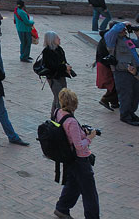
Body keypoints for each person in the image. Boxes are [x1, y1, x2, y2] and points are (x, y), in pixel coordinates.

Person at [52, 89, 100, 219]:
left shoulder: (58, 112)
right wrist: (90, 137)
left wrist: (81, 132)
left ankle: (62, 208)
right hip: (80, 159)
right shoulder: (71, 122)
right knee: (90, 192)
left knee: (73, 183)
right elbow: (79, 146)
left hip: (69, 158)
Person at [105, 21, 139, 125]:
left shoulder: (127, 39)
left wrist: (138, 34)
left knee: (135, 94)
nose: (124, 30)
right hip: (122, 72)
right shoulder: (111, 39)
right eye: (123, 29)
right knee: (126, 95)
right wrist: (123, 23)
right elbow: (114, 30)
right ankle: (125, 116)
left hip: (134, 71)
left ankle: (131, 113)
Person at [39, 31, 74, 114]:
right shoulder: (47, 52)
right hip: (53, 78)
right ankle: (61, 117)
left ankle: (54, 117)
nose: (59, 39)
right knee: (60, 98)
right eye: (57, 38)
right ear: (52, 40)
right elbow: (52, 66)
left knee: (58, 97)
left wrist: (67, 66)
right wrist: (64, 67)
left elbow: (63, 61)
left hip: (61, 75)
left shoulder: (59, 49)